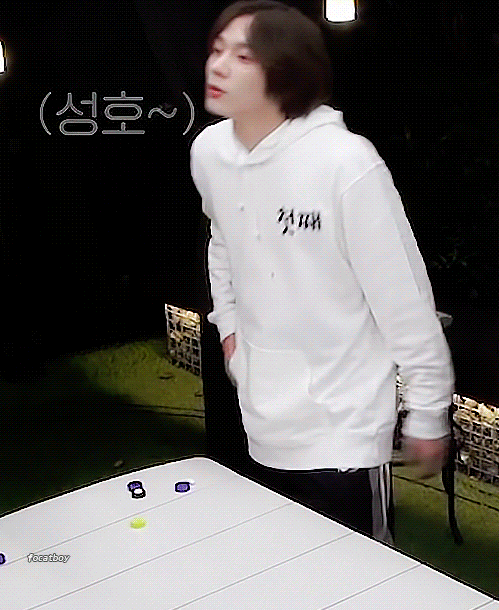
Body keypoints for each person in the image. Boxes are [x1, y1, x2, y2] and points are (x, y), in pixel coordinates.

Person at [189, 1, 453, 544]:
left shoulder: (346, 163)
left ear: (286, 73)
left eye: (243, 56)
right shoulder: (210, 152)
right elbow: (222, 240)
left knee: (360, 578)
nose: (219, 66)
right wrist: (229, 329)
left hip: (344, 434)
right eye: (217, 49)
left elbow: (404, 300)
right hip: (259, 419)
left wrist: (428, 412)